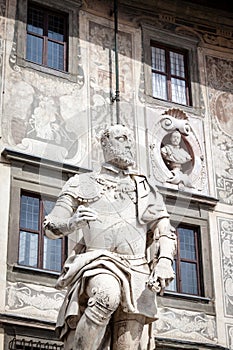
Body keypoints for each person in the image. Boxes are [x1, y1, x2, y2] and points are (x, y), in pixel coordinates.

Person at [43, 124, 177, 350]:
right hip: (98, 262)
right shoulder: (81, 182)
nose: (128, 144)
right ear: (104, 143)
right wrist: (71, 223)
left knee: (128, 343)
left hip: (138, 271)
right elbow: (51, 225)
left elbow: (164, 229)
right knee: (107, 295)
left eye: (129, 139)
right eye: (121, 138)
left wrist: (164, 261)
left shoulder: (144, 188)